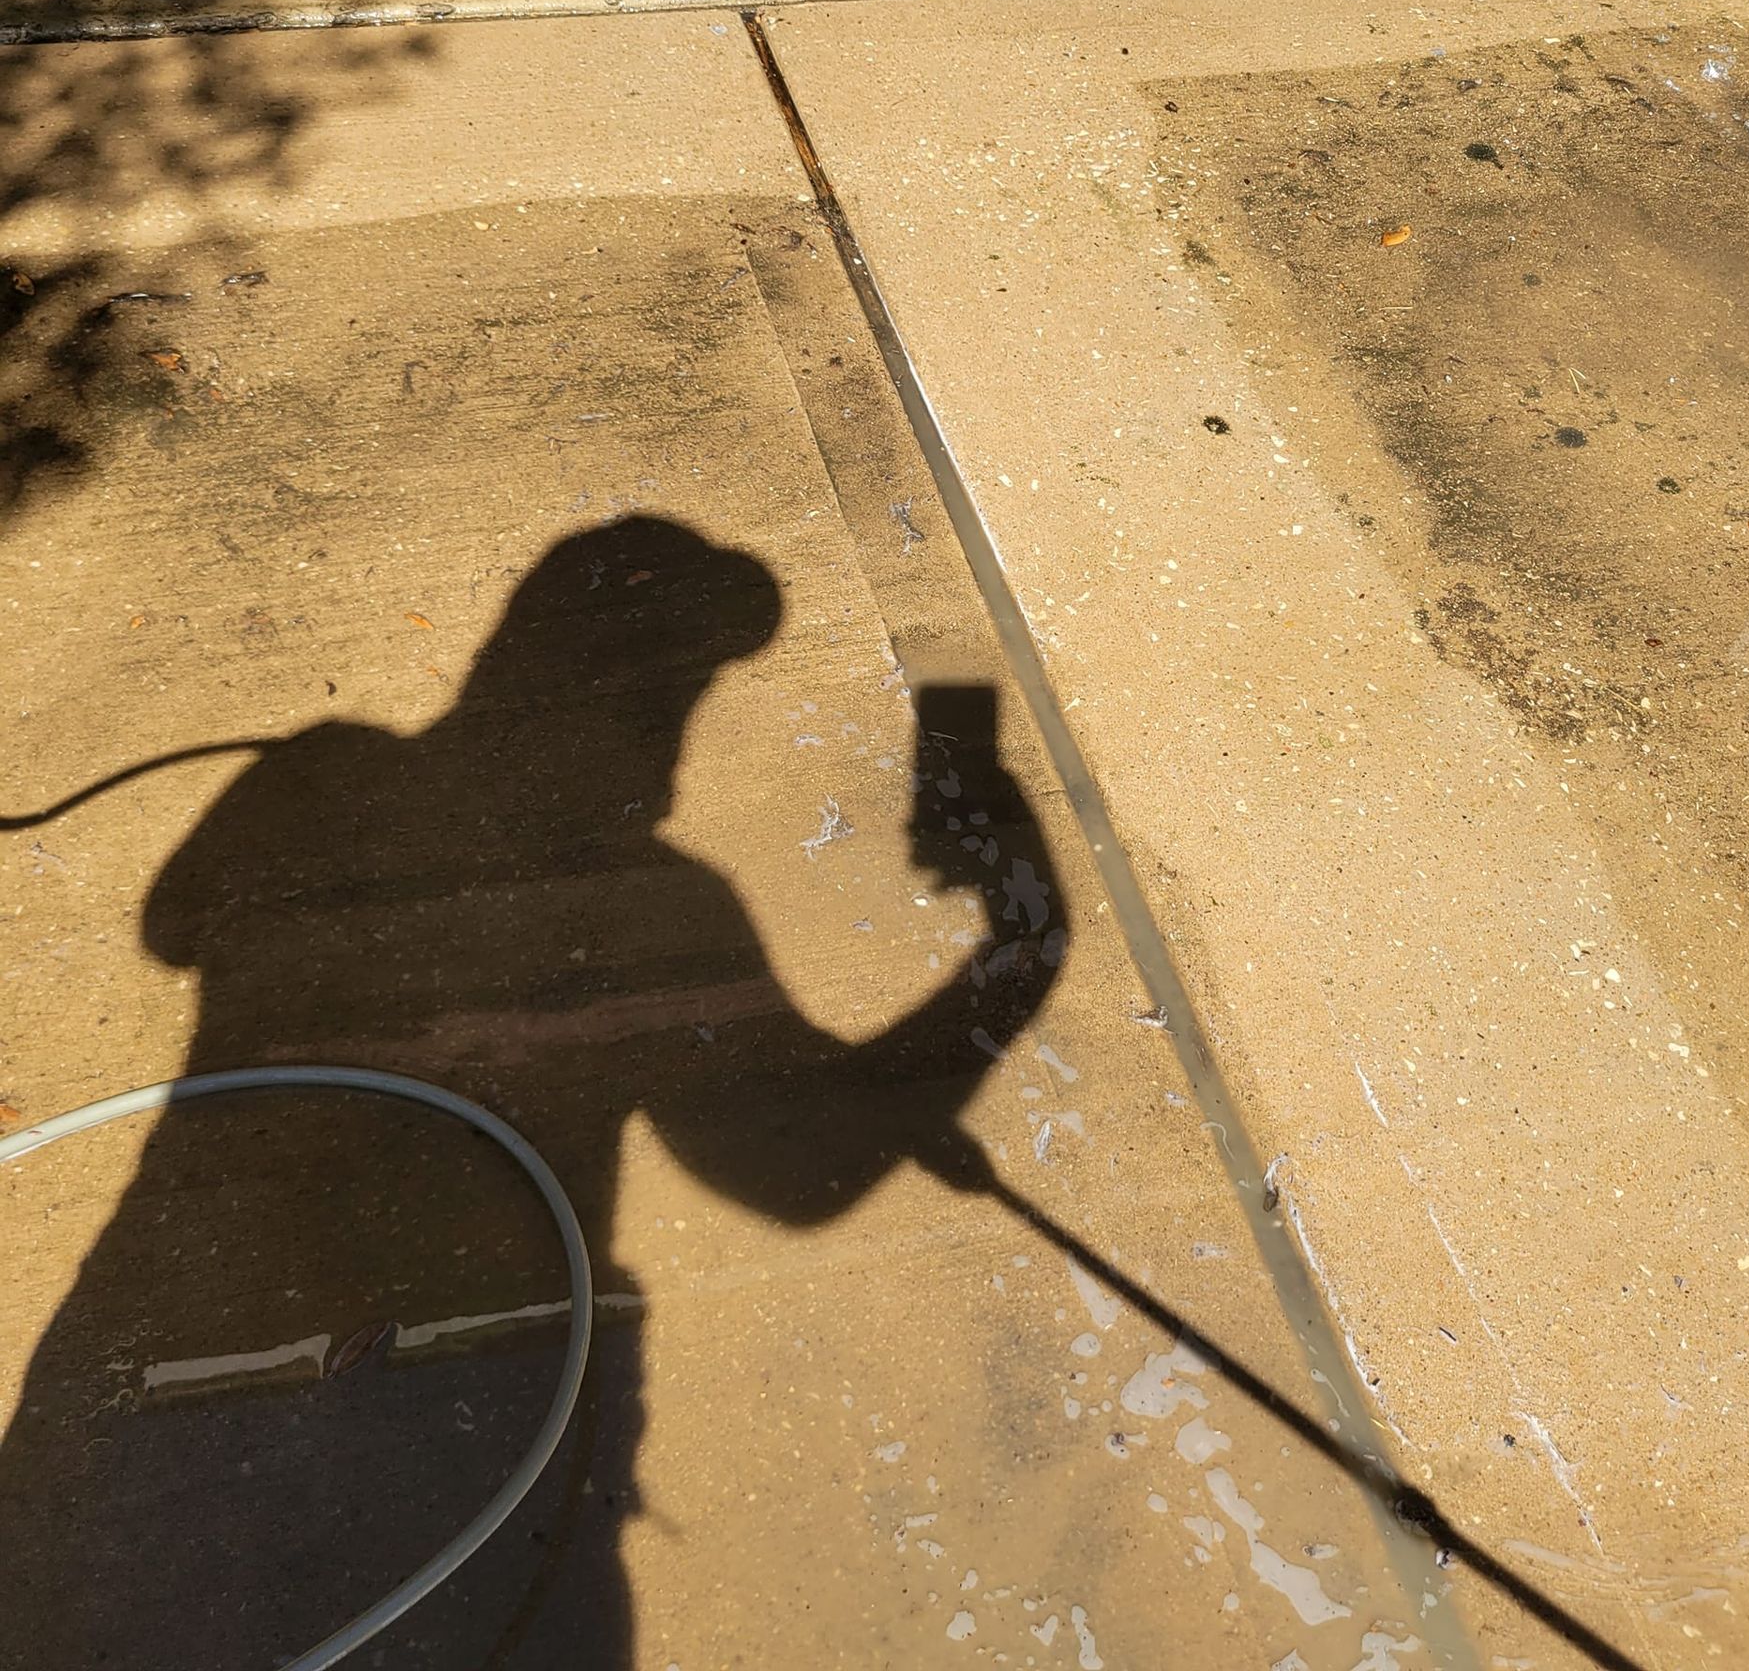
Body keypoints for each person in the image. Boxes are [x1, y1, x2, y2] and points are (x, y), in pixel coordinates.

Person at [0, 515, 1064, 1668]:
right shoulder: (664, 897)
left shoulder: (325, 767)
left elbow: (170, 929)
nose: (673, 724)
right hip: (458, 1465)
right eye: (671, 686)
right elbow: (790, 1181)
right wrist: (1013, 958)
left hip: (133, 1389)